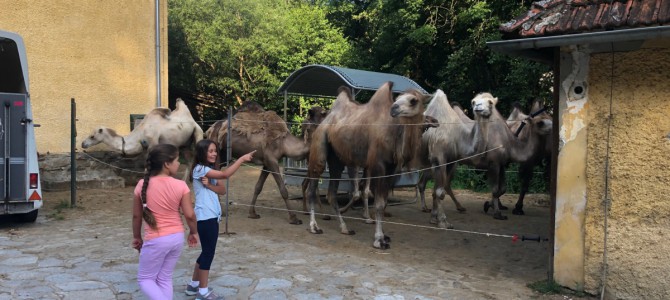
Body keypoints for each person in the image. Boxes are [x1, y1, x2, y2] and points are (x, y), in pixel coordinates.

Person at [186, 139, 255, 300]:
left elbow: (222, 190)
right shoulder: (199, 169)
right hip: (205, 217)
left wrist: (210, 185)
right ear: (202, 153)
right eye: (210, 151)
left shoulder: (209, 170)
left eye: (215, 151)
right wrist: (241, 159)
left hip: (212, 216)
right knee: (208, 253)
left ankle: (193, 285)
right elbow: (225, 174)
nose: (214, 153)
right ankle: (203, 292)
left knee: (206, 252)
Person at [132, 144, 199, 300]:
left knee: (145, 279)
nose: (179, 163)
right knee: (164, 278)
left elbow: (136, 216)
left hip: (156, 239)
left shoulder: (142, 185)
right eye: (176, 160)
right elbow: (189, 215)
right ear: (166, 164)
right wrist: (194, 232)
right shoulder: (181, 185)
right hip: (176, 238)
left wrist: (137, 237)